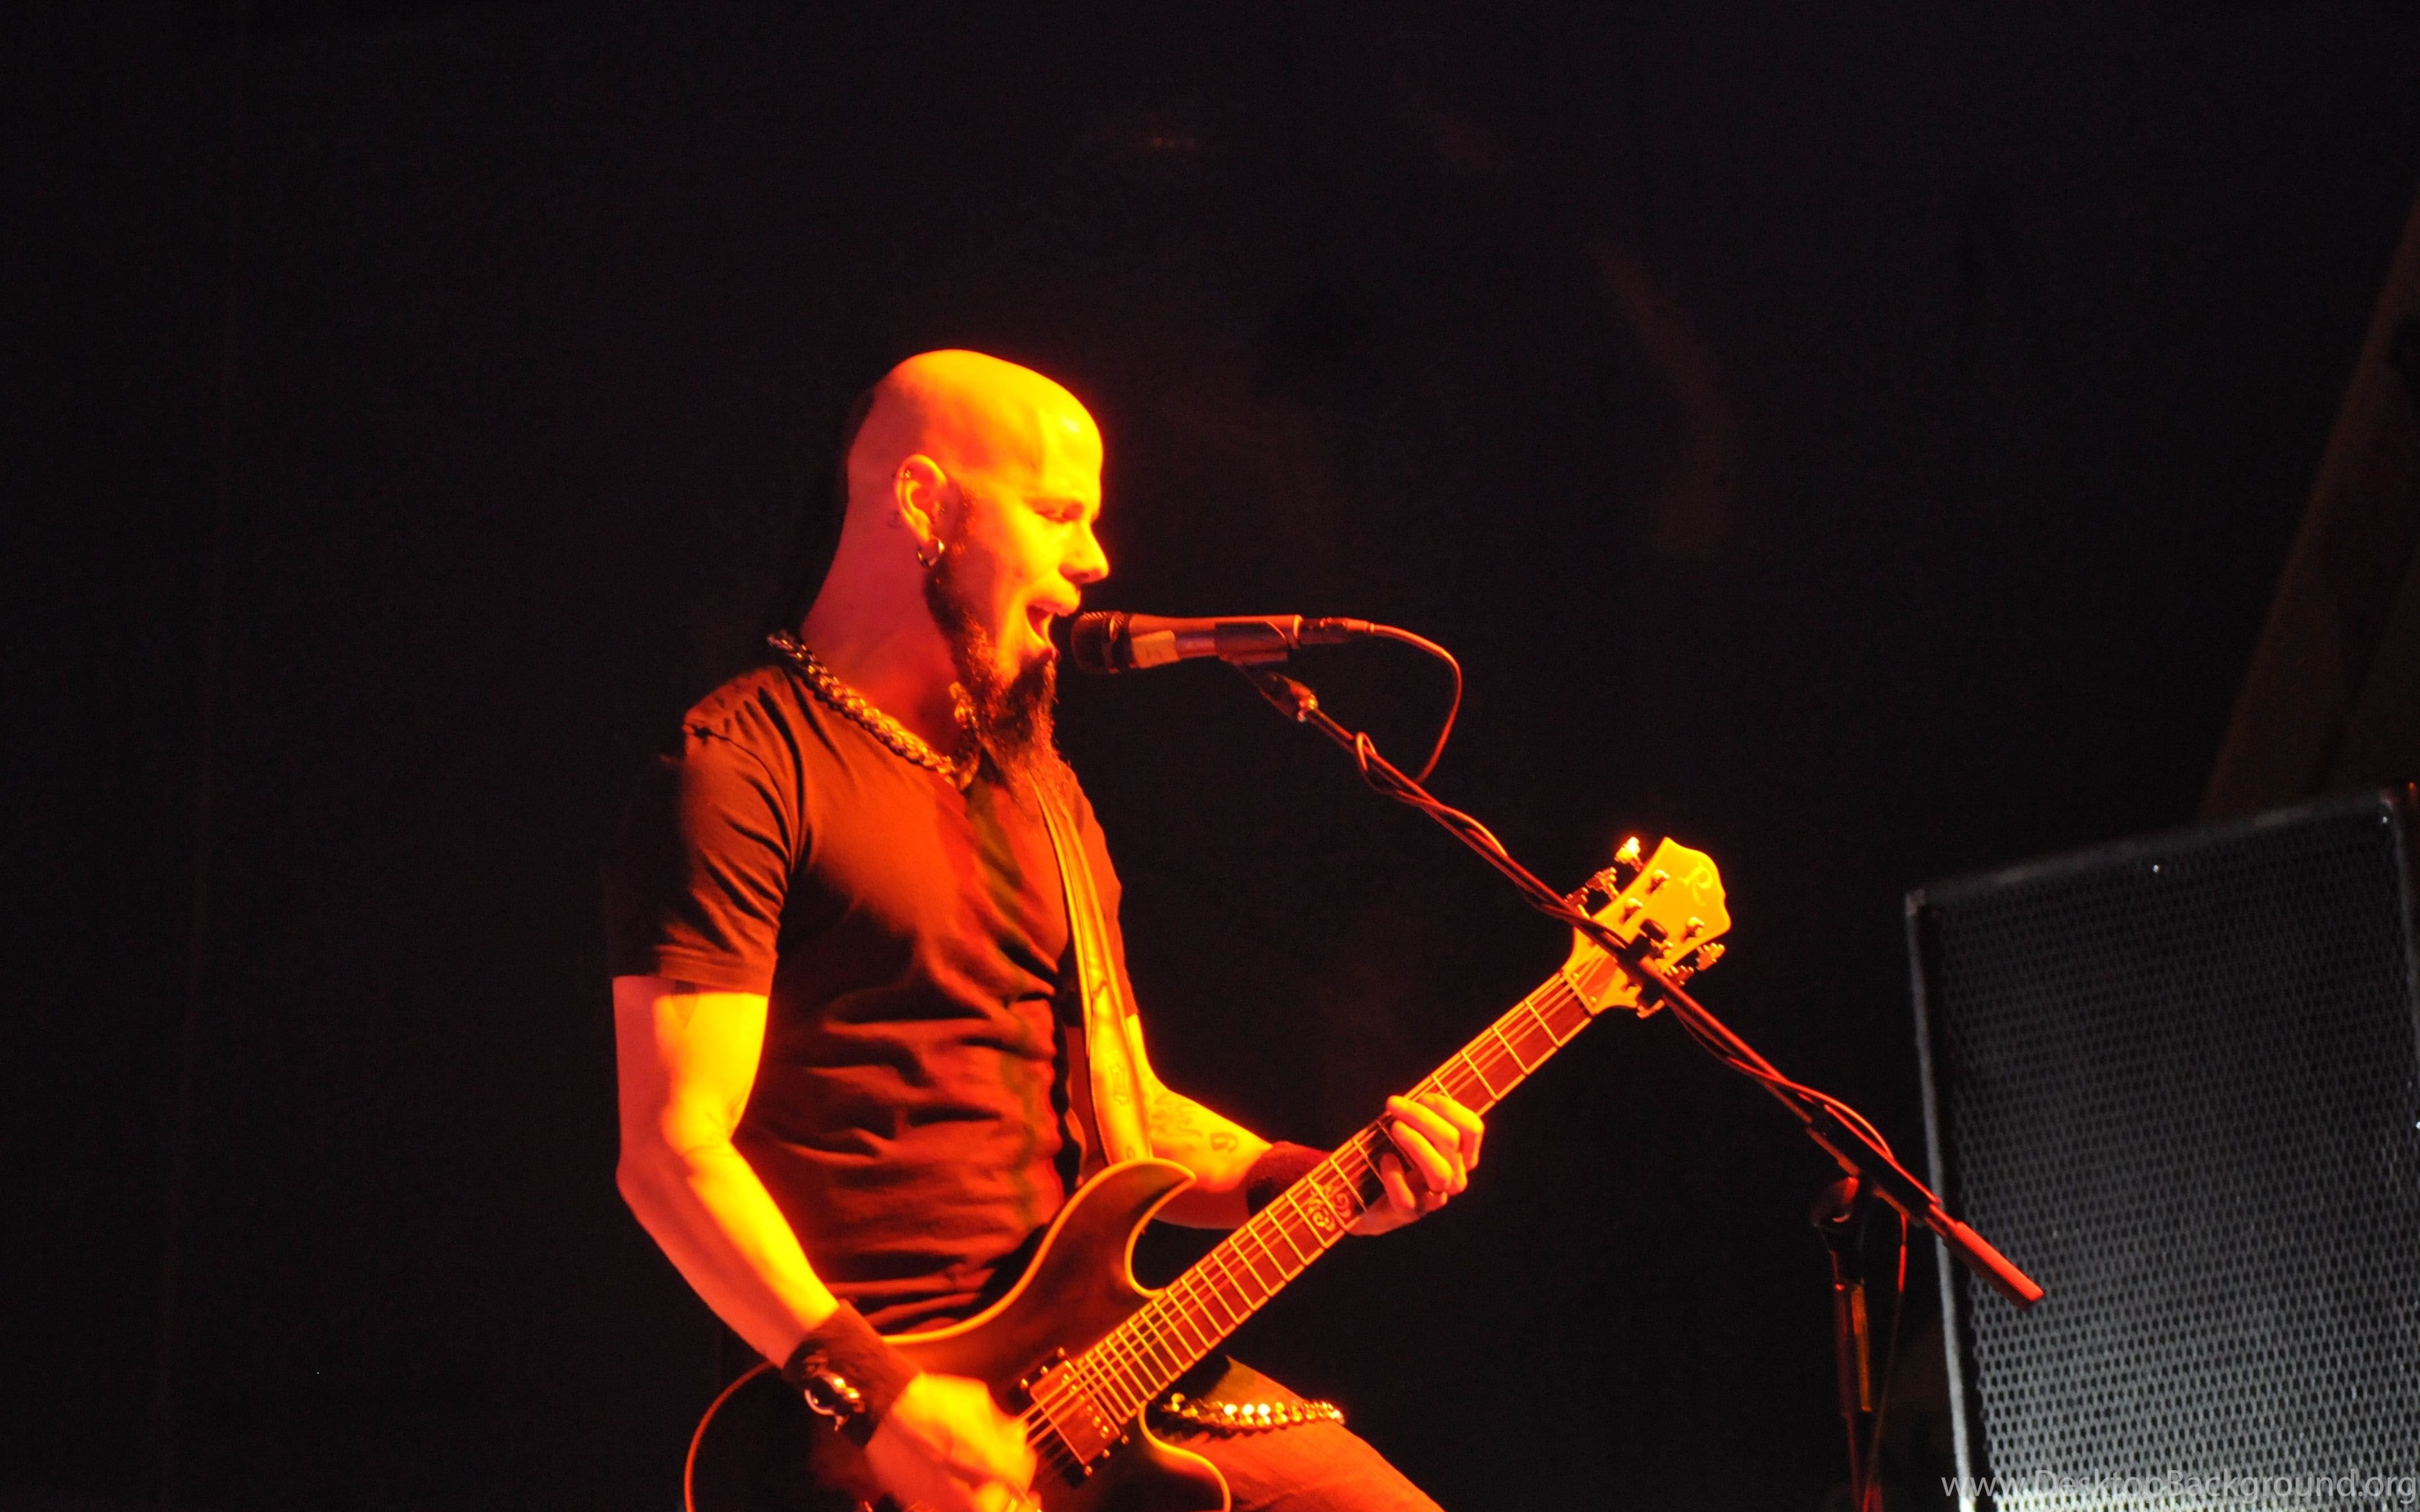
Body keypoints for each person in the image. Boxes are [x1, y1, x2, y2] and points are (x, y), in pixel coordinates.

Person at [608, 350, 1481, 1512]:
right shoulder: (737, 770)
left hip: (1104, 1383)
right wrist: (880, 1398)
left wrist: (1315, 1185)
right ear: (924, 503)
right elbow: (672, 1152)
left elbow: (1126, 1109)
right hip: (868, 1440)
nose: (1096, 560)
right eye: (1060, 513)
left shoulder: (1043, 793)